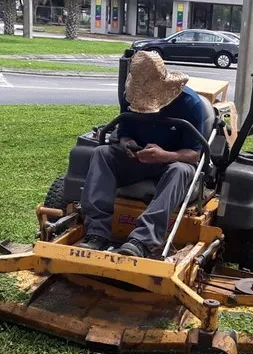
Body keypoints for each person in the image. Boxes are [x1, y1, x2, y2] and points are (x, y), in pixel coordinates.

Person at [77, 51, 208, 258]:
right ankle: (96, 233)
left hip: (170, 163)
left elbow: (193, 154)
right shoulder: (129, 97)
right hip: (136, 160)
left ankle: (142, 240)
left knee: (180, 170)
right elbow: (124, 133)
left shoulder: (190, 104)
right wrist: (127, 144)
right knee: (102, 153)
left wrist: (164, 155)